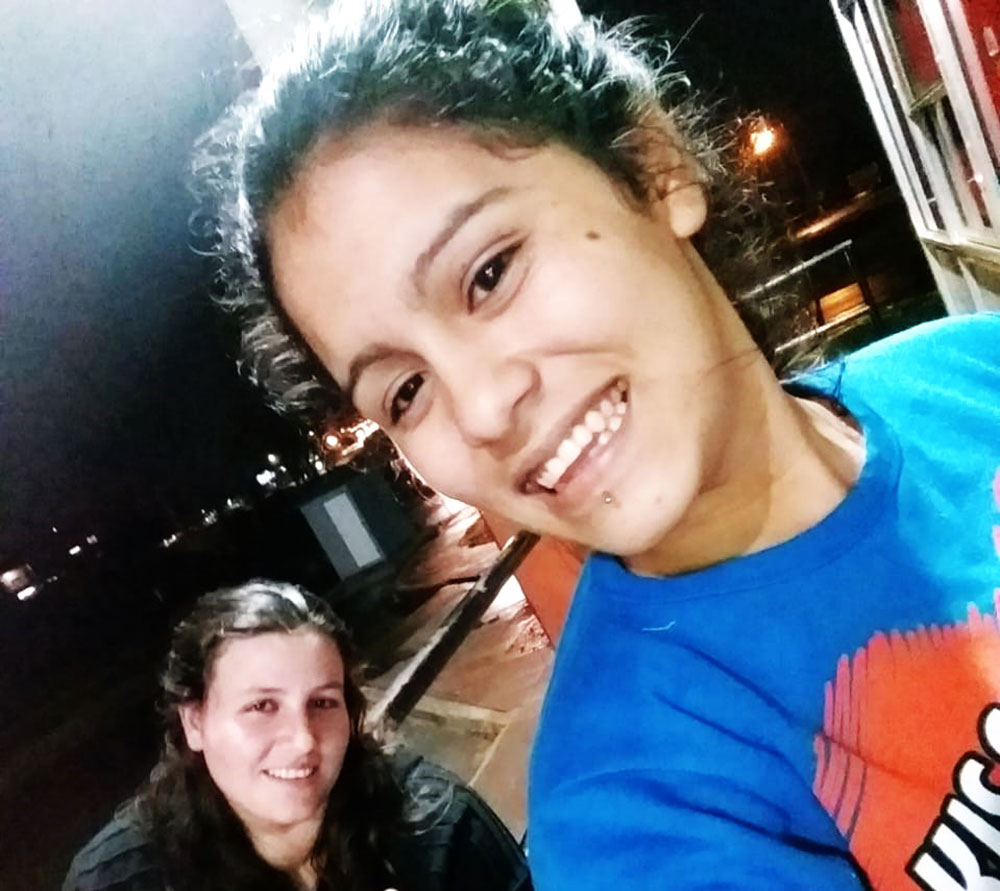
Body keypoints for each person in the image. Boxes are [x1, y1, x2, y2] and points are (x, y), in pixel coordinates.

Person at [192, 1, 1000, 888]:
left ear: (655, 167)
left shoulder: (977, 372)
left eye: (489, 273)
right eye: (406, 391)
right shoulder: (629, 814)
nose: (484, 409)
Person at [63, 580, 531, 891]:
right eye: (261, 707)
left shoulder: (439, 828)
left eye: (323, 703)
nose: (304, 739)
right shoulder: (117, 879)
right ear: (195, 723)